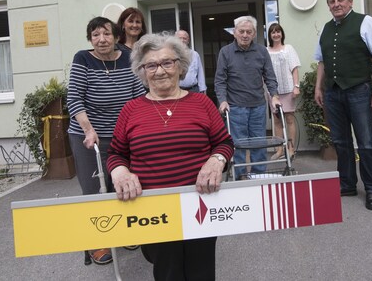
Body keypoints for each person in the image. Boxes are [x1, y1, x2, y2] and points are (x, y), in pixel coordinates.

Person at [107, 33, 233, 280]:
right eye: (151, 65)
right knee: (167, 272)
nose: (160, 71)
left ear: (180, 66)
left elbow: (224, 142)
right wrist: (119, 171)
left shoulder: (202, 103)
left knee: (202, 272)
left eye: (167, 62)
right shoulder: (130, 110)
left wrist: (216, 159)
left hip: (201, 205)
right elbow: (116, 153)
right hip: (153, 211)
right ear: (142, 71)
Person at [66, 16, 146, 264]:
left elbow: (139, 96)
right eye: (95, 35)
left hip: (122, 136)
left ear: (116, 36)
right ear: (90, 38)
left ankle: (123, 231)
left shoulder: (128, 59)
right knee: (93, 189)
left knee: (121, 185)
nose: (101, 39)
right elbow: (74, 99)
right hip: (88, 136)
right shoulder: (83, 58)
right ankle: (96, 242)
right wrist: (89, 129)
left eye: (106, 34)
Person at [313, 0, 372, 211]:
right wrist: (319, 88)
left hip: (358, 90)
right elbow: (322, 61)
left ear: (350, 1)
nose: (336, 4)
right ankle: (347, 184)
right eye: (332, 1)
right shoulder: (326, 29)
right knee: (341, 142)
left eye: (340, 0)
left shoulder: (365, 22)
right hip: (334, 93)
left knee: (365, 142)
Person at [214, 15, 280, 179]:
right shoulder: (226, 52)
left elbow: (270, 76)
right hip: (235, 107)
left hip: (258, 105)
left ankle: (259, 177)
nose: (245, 35)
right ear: (235, 33)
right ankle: (240, 178)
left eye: (248, 32)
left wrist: (274, 96)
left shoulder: (261, 51)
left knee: (259, 144)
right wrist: (222, 100)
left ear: (254, 33)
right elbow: (220, 80)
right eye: (241, 31)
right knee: (238, 145)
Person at [266, 23, 301, 160]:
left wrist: (296, 86)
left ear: (282, 34)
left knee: (290, 119)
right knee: (277, 121)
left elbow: (295, 69)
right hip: (273, 92)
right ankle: (279, 149)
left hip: (288, 90)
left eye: (278, 32)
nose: (276, 34)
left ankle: (291, 149)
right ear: (269, 35)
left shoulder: (289, 49)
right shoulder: (266, 51)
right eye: (273, 32)